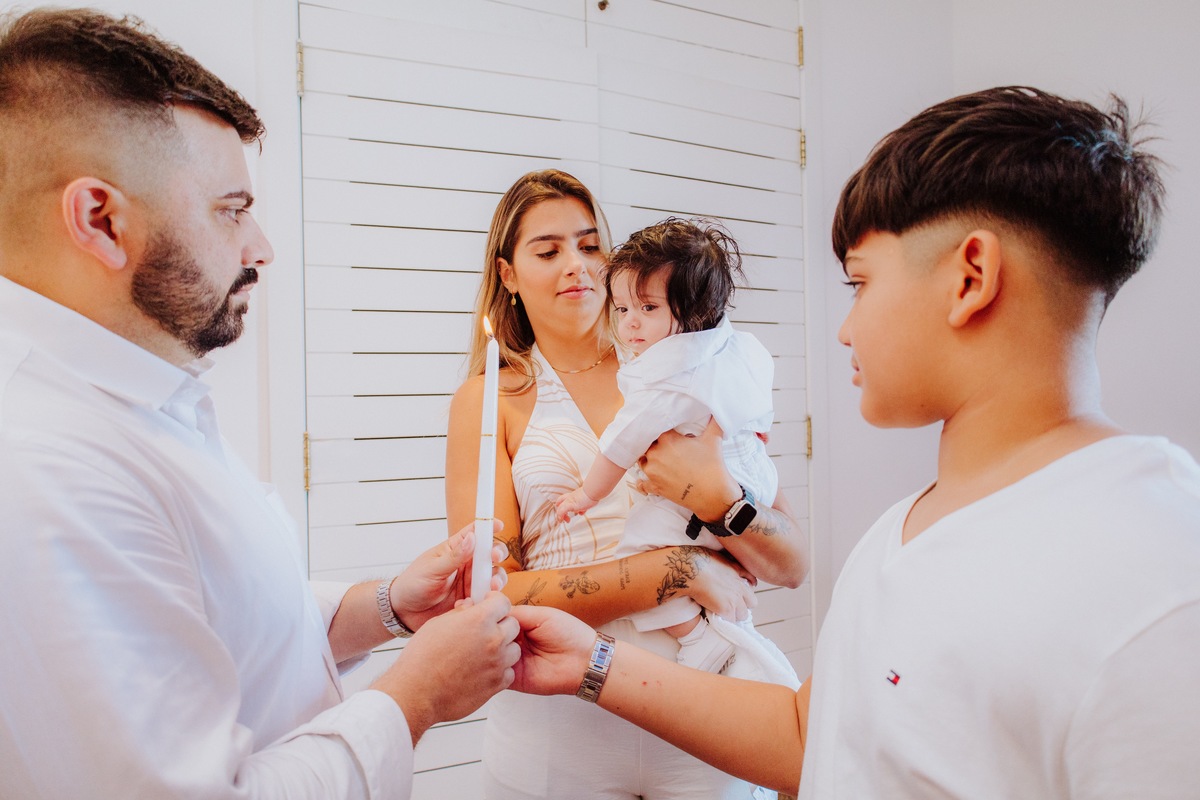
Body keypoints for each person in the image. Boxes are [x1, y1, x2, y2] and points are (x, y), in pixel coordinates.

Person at [506, 86, 1200, 798]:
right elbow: (810, 737)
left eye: (861, 284)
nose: (845, 328)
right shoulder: (896, 538)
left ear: (970, 278)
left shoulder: (1160, 572)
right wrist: (594, 662)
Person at [0, 8, 520, 799]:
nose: (261, 246)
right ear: (101, 220)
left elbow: (223, 619)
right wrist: (418, 697)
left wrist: (383, 608)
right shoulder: (48, 468)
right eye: (231, 210)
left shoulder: (143, 394)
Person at [445, 170, 809, 799]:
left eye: (590, 246)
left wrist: (722, 500)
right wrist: (676, 570)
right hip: (559, 723)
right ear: (507, 274)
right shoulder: (489, 402)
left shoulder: (684, 370)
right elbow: (493, 592)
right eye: (549, 250)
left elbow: (794, 561)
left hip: (704, 708)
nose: (577, 267)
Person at [554, 218, 798, 685]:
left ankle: (696, 637)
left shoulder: (666, 379)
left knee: (640, 541)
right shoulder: (733, 350)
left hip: (719, 492)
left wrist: (586, 496)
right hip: (751, 475)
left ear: (695, 312)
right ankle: (729, 628)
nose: (629, 322)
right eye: (623, 307)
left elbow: (621, 446)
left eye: (647, 307)